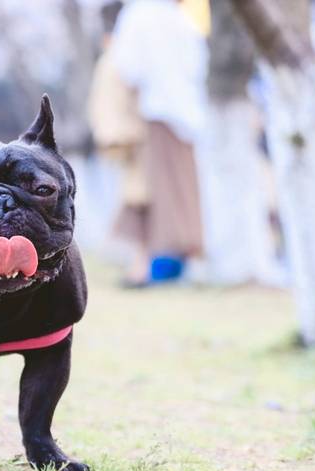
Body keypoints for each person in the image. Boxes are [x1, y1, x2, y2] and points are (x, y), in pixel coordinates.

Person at [110, 0, 208, 286]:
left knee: (151, 189)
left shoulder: (138, 14)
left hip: (152, 110)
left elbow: (128, 67)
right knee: (182, 188)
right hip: (187, 114)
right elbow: (198, 65)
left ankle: (153, 265)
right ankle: (176, 263)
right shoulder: (183, 19)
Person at [87, 1, 149, 285]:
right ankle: (141, 267)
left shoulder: (115, 59)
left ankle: (143, 267)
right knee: (138, 202)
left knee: (139, 201)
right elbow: (110, 103)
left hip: (127, 138)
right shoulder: (117, 61)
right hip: (131, 138)